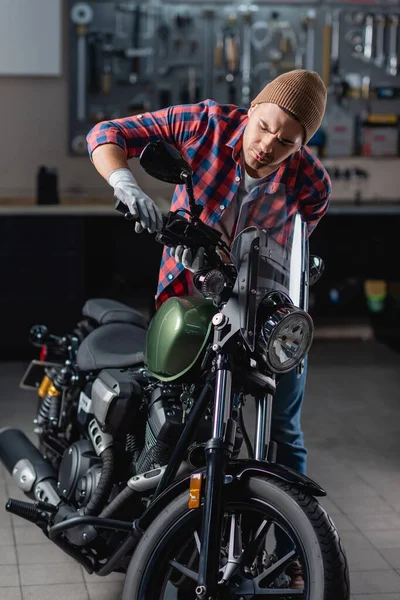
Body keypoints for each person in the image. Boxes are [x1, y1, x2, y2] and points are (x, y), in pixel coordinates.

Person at [86, 69, 331, 588]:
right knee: (175, 428)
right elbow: (106, 135)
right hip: (194, 305)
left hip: (262, 310)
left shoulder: (310, 181)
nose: (269, 145)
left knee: (285, 432)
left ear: (303, 144)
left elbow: (300, 243)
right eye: (264, 126)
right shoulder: (205, 125)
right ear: (253, 109)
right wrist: (124, 182)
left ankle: (291, 565)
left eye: (288, 141)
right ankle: (148, 533)